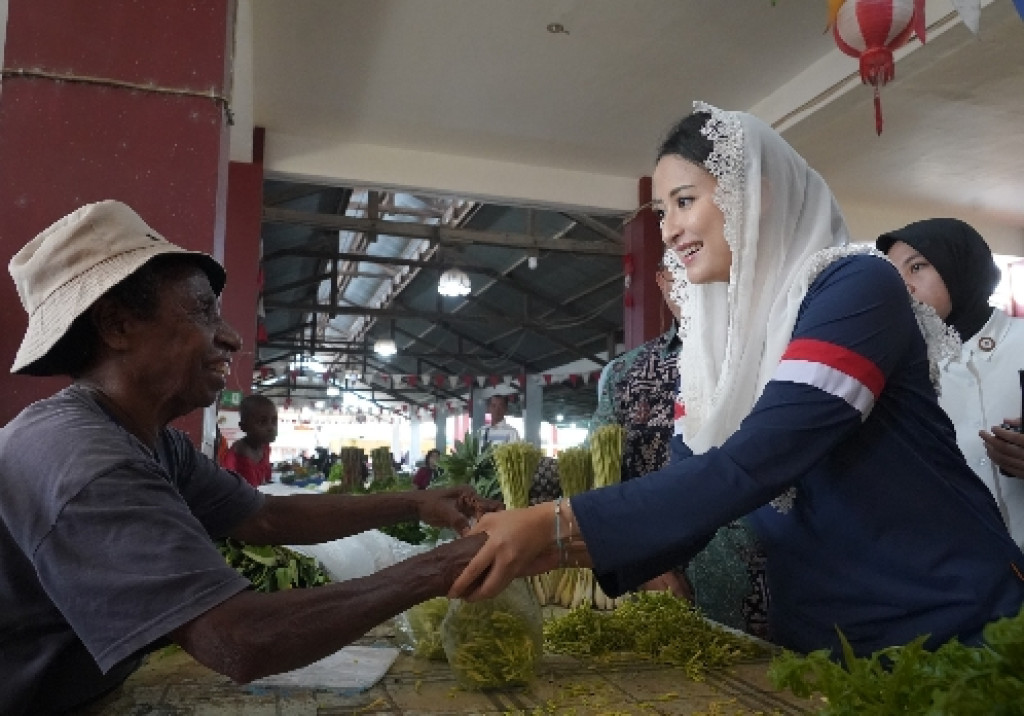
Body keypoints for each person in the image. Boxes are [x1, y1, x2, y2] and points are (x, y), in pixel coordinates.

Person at [451, 104, 1024, 659]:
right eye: (660, 212)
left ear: (756, 194)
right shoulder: (716, 346)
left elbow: (758, 459)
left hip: (950, 622)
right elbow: (693, 494)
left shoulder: (856, 287)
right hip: (823, 636)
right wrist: (546, 549)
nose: (670, 230)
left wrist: (554, 526)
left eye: (684, 201)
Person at [0, 200, 498, 716]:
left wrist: (415, 504)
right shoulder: (88, 462)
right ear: (118, 324)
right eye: (201, 311)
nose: (232, 337)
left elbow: (264, 516)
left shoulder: (149, 440)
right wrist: (443, 567)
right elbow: (238, 639)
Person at [877, 218, 1024, 549]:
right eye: (889, 274)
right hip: (968, 583)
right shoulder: (900, 374)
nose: (902, 286)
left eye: (916, 267)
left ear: (961, 265)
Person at [220, 394, 278, 487]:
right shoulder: (241, 450)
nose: (271, 427)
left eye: (274, 421)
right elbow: (248, 489)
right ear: (243, 426)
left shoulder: (265, 449)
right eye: (262, 422)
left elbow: (265, 481)